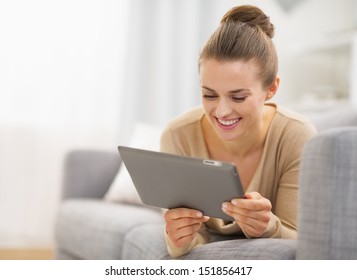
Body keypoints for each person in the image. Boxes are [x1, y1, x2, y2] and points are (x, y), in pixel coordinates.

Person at [160, 5, 317, 258]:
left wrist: (269, 226)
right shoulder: (178, 135)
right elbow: (187, 240)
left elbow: (305, 242)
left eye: (238, 97)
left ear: (272, 88)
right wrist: (178, 238)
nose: (221, 112)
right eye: (209, 94)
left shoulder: (297, 136)